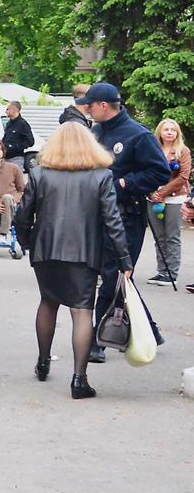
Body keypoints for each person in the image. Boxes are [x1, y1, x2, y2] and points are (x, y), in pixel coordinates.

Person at [15, 122, 133, 399]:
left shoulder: (39, 173)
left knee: (48, 302)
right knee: (82, 311)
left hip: (45, 250)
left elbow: (22, 215)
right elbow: (112, 221)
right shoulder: (101, 176)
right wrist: (124, 260)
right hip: (84, 252)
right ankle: (79, 380)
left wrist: (26, 242)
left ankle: (43, 363)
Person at [86, 82, 168, 362]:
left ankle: (98, 338)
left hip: (126, 216)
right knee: (117, 276)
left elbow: (159, 172)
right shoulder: (96, 132)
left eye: (91, 104)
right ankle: (151, 331)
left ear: (104, 106)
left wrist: (124, 183)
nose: (87, 108)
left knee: (114, 274)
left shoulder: (138, 135)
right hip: (98, 213)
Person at [144, 119, 190, 288]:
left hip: (175, 199)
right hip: (153, 199)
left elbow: (183, 177)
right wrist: (150, 191)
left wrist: (161, 193)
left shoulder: (183, 151)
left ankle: (172, 273)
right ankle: (162, 271)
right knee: (159, 237)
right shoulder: (152, 150)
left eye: (173, 130)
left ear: (177, 133)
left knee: (172, 236)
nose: (170, 132)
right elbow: (145, 171)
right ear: (159, 132)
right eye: (166, 129)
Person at [1, 101, 35, 167]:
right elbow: (6, 138)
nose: (6, 111)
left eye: (8, 109)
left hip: (16, 158)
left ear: (14, 110)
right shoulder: (8, 123)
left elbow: (30, 141)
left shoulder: (23, 124)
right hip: (5, 157)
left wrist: (14, 146)